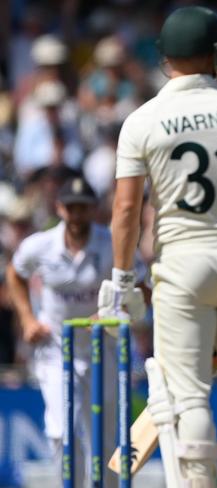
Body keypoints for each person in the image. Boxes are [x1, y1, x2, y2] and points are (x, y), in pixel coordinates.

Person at [97, 6, 217, 488]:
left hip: (183, 265)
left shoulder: (144, 119)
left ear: (166, 58)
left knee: (186, 400)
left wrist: (122, 282)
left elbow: (125, 211)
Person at [6, 176, 146, 487]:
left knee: (107, 436)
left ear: (94, 209)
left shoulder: (112, 244)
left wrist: (117, 311)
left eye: (83, 208)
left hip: (103, 349)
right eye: (71, 208)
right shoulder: (41, 245)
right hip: (57, 349)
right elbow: (15, 273)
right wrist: (29, 319)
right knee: (62, 431)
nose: (77, 214)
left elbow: (143, 287)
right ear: (59, 209)